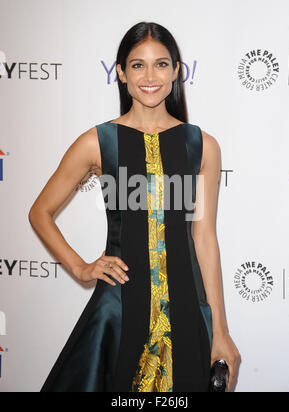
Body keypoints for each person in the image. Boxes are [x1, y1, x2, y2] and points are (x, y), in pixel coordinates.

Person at [28, 21, 240, 392]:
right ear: (121, 74)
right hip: (120, 310)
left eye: (161, 63)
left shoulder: (202, 145)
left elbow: (204, 239)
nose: (150, 75)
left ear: (176, 71)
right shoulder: (98, 141)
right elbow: (40, 212)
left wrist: (220, 329)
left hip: (188, 314)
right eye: (137, 65)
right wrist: (80, 268)